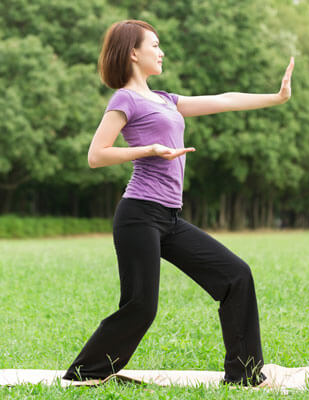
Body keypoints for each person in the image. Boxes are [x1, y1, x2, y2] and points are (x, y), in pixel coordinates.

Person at [63, 19, 294, 387]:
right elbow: (96, 154)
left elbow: (224, 100)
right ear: (134, 53)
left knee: (235, 275)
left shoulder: (167, 99)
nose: (161, 51)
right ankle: (84, 373)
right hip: (138, 214)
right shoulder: (125, 98)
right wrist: (150, 149)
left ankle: (245, 375)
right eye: (154, 45)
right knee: (141, 306)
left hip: (169, 219)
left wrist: (276, 98)